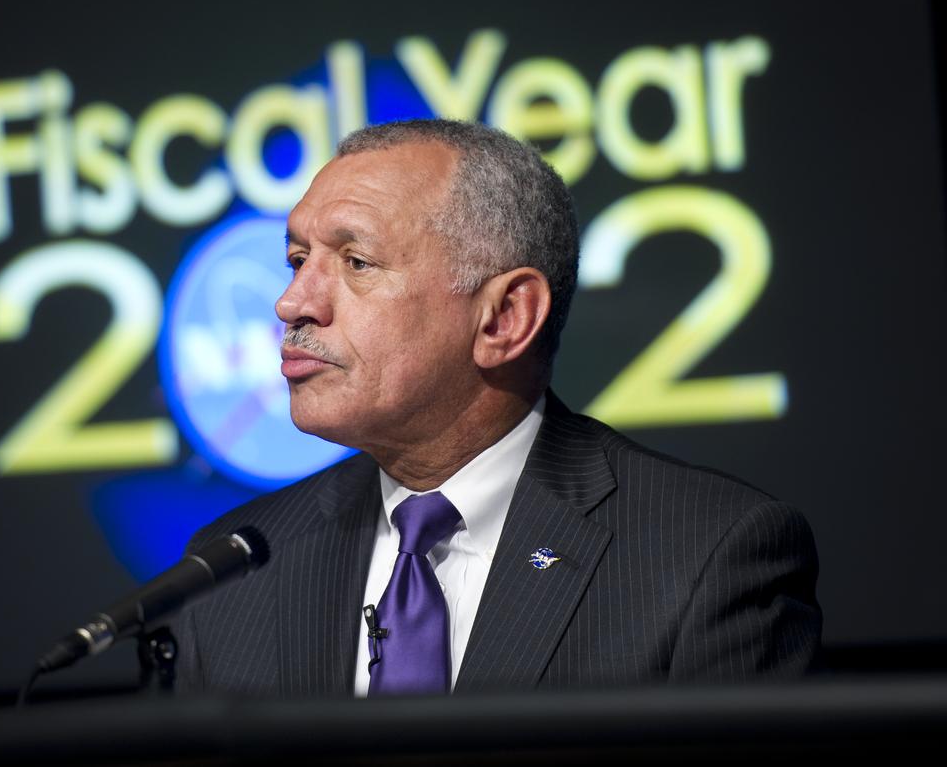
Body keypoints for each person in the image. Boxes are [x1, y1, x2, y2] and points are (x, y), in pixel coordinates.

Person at [173, 119, 821, 697]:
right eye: (295, 259)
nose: (292, 302)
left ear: (504, 318)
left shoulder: (707, 554)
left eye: (356, 261)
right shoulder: (233, 570)